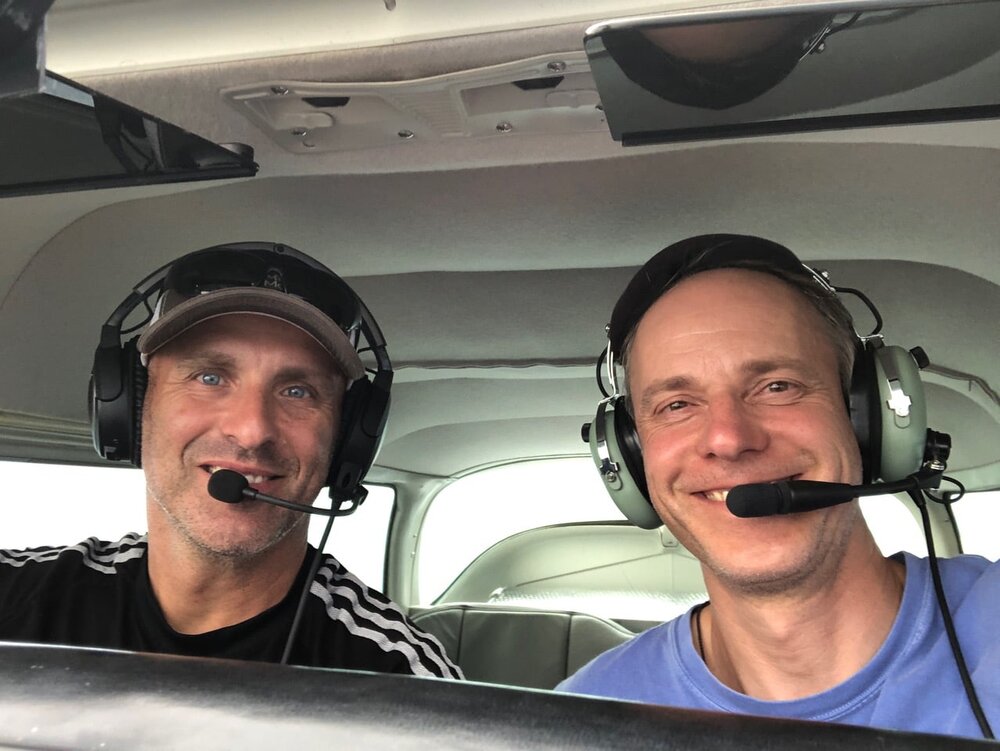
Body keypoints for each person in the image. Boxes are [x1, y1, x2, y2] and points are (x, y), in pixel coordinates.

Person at [559, 234, 998, 739]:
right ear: (630, 457)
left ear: (866, 415)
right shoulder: (578, 724)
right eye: (676, 405)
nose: (728, 439)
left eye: (777, 387)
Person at [0, 241, 461, 679]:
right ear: (130, 406)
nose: (252, 429)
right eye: (209, 377)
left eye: (298, 391)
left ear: (346, 440)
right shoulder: (14, 598)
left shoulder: (407, 680)